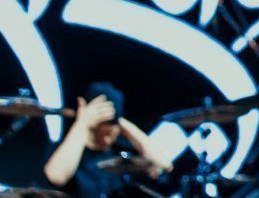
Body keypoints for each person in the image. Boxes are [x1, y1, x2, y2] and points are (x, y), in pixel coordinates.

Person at [43, 82, 173, 196]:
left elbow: (164, 165)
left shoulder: (120, 149)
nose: (111, 131)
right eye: (105, 124)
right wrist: (82, 122)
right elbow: (56, 177)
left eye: (114, 125)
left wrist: (126, 126)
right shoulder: (67, 148)